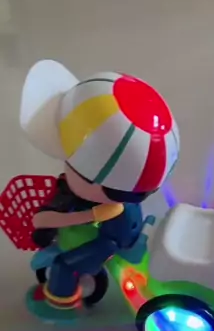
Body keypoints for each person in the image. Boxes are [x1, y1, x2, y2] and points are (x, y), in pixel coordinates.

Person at [20, 61, 179, 308]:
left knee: (63, 265)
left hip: (110, 242)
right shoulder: (125, 191)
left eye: (71, 164)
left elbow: (41, 221)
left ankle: (61, 303)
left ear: (102, 186)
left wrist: (88, 216)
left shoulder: (106, 206)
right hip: (124, 231)